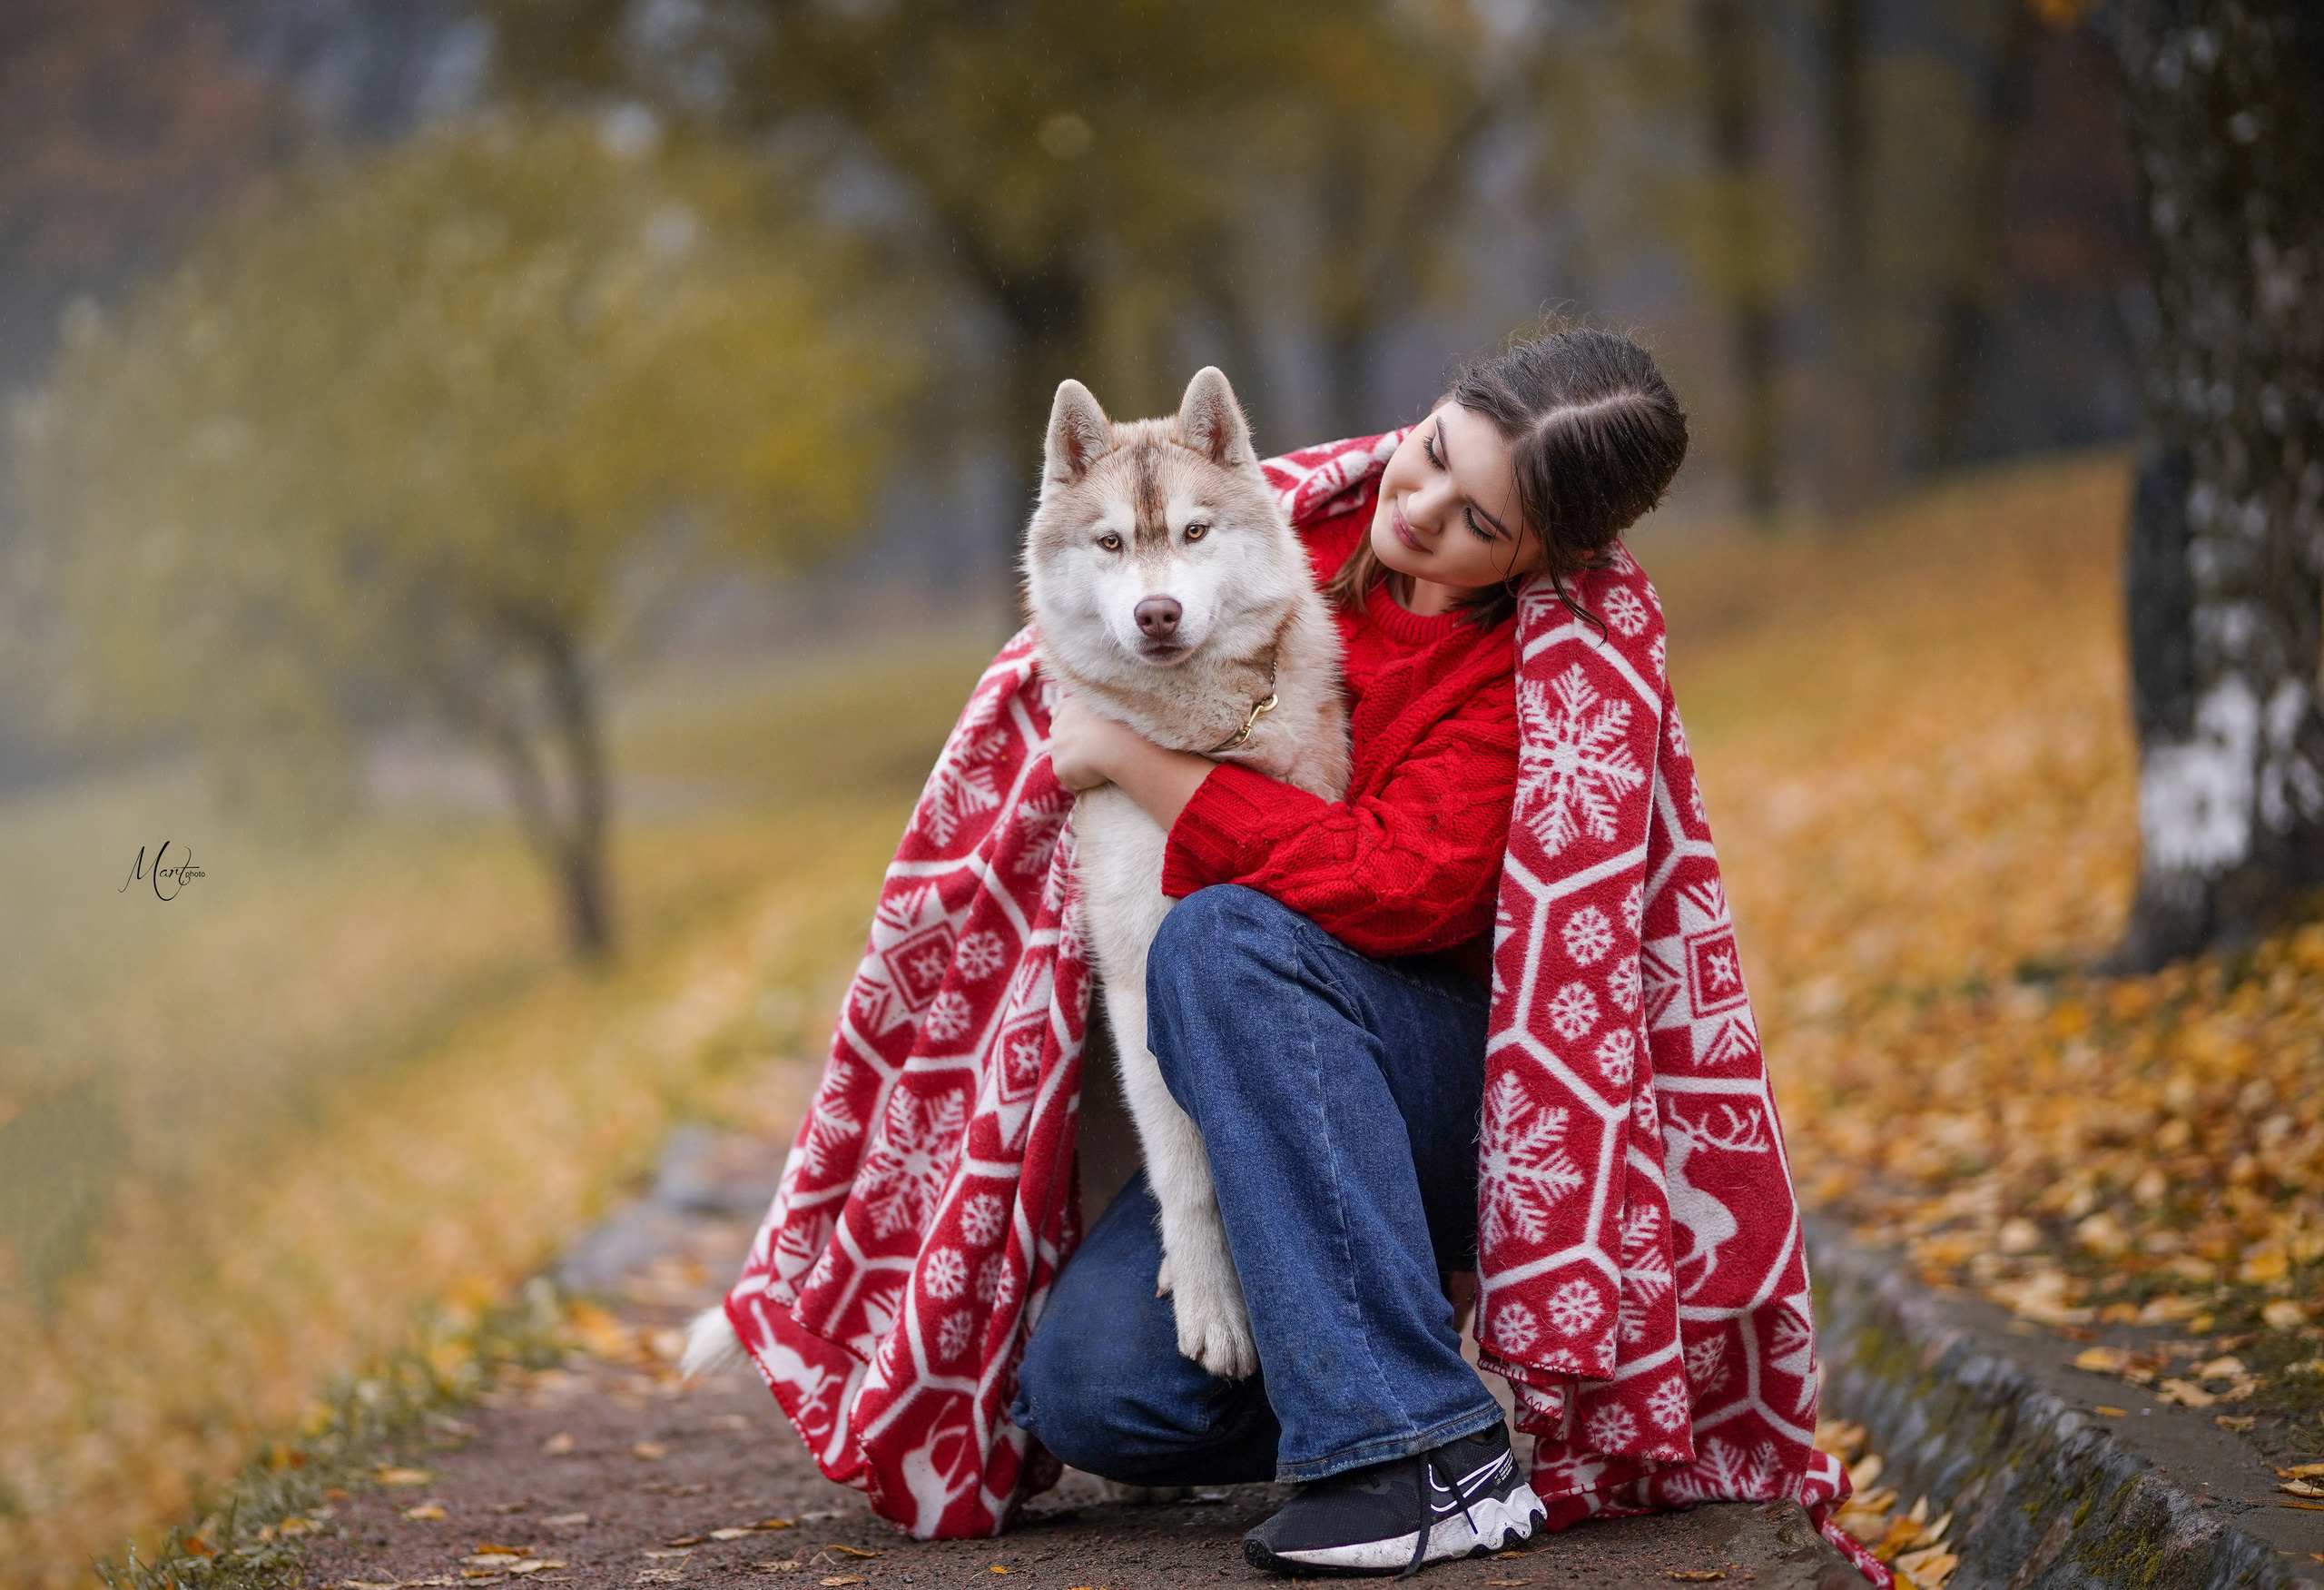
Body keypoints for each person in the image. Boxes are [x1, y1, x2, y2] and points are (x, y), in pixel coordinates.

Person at [1008, 322, 1692, 1578]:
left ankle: (1423, 1455)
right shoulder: (1300, 533)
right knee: (1100, 1397)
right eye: (1430, 455)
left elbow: (1400, 890)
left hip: (1448, 1081)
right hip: (1266, 1069)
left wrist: (1134, 763)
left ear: (1552, 554)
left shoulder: (1535, 675)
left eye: (1479, 521)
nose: (1421, 510)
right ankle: (1366, 1346)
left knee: (1218, 937)